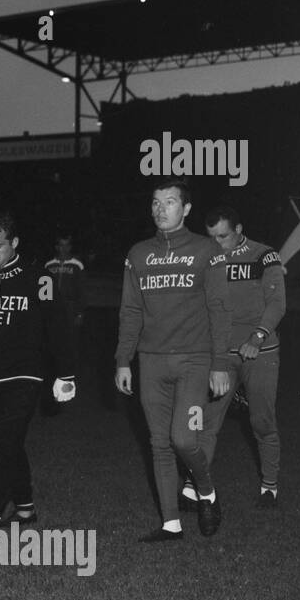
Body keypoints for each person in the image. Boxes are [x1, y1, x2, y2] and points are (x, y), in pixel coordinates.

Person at [114, 182, 232, 543]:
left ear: (187, 209)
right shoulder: (137, 254)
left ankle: (206, 491)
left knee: (183, 438)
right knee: (159, 443)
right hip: (151, 363)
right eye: (155, 202)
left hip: (194, 362)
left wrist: (220, 364)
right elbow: (131, 310)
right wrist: (123, 360)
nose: (160, 209)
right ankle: (171, 524)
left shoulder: (206, 250)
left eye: (170, 202)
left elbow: (219, 309)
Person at [0, 211, 76, 541]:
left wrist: (66, 374)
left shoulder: (38, 279)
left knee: (3, 443)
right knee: (6, 443)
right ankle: (25, 508)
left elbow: (60, 328)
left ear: (14, 243)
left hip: (25, 377)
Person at [180, 206, 285, 513]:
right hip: (221, 355)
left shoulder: (264, 255)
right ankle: (193, 485)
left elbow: (277, 302)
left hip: (259, 352)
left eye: (223, 236)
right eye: (211, 237)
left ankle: (269, 486)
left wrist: (257, 337)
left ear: (239, 229)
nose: (217, 243)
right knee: (207, 421)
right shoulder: (206, 258)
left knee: (261, 421)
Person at [45, 233, 86, 359]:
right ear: (57, 247)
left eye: (67, 245)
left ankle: (72, 369)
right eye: (61, 245)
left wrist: (79, 313)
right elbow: (43, 292)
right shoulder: (49, 265)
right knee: (53, 339)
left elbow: (82, 291)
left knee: (71, 341)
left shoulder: (77, 265)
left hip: (70, 308)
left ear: (70, 247)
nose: (64, 249)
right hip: (53, 309)